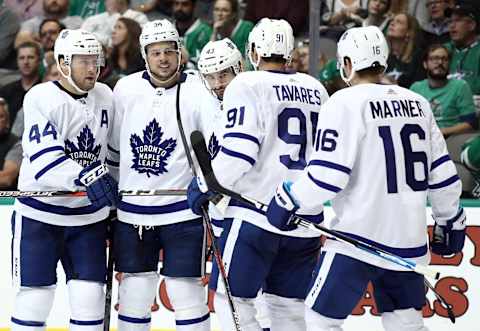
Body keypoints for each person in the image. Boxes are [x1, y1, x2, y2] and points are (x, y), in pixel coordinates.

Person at [266, 25, 466, 331]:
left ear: (346, 63)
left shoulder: (344, 102)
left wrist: (289, 199)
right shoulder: (417, 103)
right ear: (383, 60)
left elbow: (327, 177)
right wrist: (450, 220)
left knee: (319, 321)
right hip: (408, 241)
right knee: (406, 323)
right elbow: (441, 175)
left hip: (357, 241)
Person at [188, 18, 329, 330]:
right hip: (303, 221)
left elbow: (239, 153)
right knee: (288, 310)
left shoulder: (247, 84)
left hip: (257, 217)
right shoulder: (316, 89)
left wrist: (204, 184)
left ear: (251, 51)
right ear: (291, 52)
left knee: (232, 302)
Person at [10, 29, 118, 331]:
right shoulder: (41, 97)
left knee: (89, 298)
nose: (92, 67)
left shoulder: (106, 96)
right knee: (35, 299)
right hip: (39, 215)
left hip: (87, 218)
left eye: (95, 60)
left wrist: (113, 199)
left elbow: (111, 151)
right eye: (83, 60)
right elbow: (46, 161)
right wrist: (91, 176)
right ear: (63, 62)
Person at [109, 19, 212, 331]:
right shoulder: (125, 89)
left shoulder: (198, 91)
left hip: (183, 211)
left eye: (169, 51)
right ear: (144, 54)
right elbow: (114, 149)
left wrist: (207, 183)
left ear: (180, 53)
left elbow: (215, 148)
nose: (164, 58)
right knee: (134, 295)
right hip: (132, 213)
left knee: (187, 295)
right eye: (156, 52)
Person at [410, 44, 476, 137]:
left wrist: (439, 132)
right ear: (425, 64)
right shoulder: (416, 88)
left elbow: (470, 123)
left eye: (444, 59)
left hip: (451, 138)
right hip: (422, 138)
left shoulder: (460, 86)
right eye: (435, 58)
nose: (440, 62)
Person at [444, 0, 480, 107]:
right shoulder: (444, 50)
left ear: (472, 25)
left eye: (458, 20)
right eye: (450, 21)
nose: (452, 26)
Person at [0, 41, 41, 126]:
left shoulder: (45, 90)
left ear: (38, 60)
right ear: (17, 61)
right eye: (22, 58)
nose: (26, 62)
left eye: (30, 57)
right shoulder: (5, 91)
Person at [81, 0, 148, 47]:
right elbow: (82, 36)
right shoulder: (94, 19)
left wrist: (114, 15)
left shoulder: (138, 17)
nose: (107, 2)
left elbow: (136, 40)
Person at [100, 17, 144, 88]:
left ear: (131, 32)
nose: (113, 32)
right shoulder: (110, 58)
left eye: (119, 27)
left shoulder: (142, 57)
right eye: (114, 28)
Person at [383, 12, 425, 87]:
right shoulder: (382, 55)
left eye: (399, 22)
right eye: (392, 20)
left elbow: (418, 87)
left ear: (409, 32)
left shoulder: (418, 57)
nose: (392, 23)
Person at [172, 0, 212, 67]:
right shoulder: (167, 30)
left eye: (185, 4)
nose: (179, 8)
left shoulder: (206, 32)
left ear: (194, 7)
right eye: (176, 4)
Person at [0, 98, 21, 190]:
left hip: (5, 200)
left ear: (7, 122)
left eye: (0, 116)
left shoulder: (16, 144)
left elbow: (6, 178)